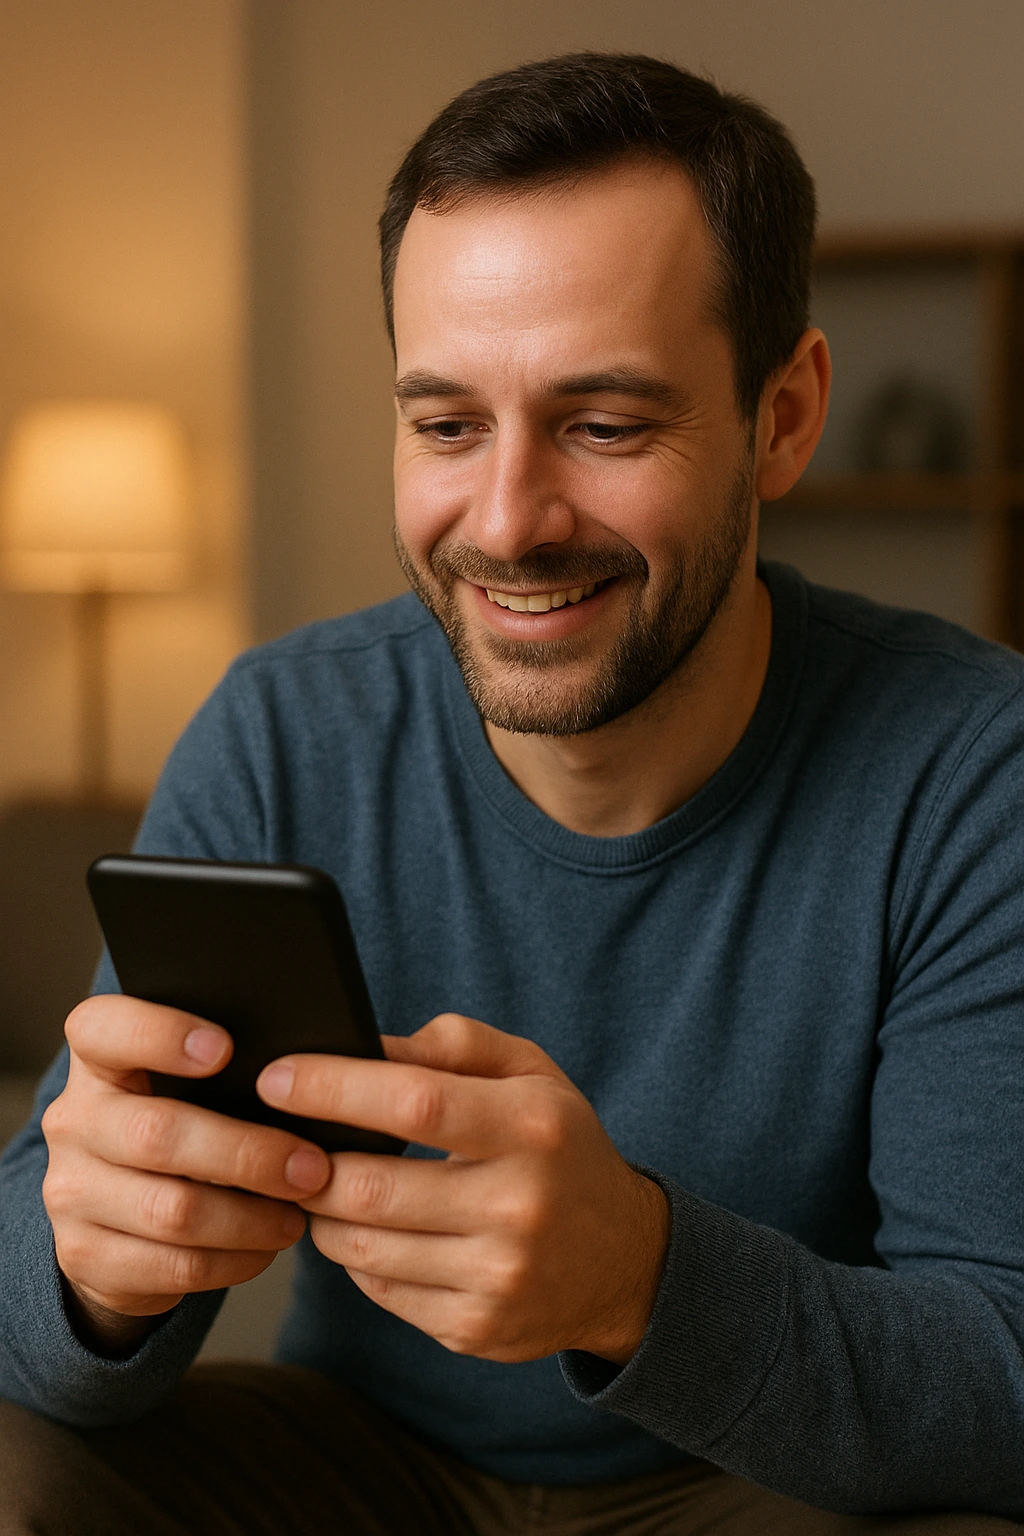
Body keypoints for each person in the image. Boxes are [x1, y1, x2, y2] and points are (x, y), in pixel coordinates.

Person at [0, 50, 1022, 1536]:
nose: (507, 521)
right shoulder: (283, 729)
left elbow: (1001, 1366)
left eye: (605, 425)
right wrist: (92, 1277)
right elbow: (29, 1306)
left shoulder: (974, 769)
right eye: (446, 424)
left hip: (762, 1486)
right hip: (364, 1464)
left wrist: (639, 1280)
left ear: (787, 415)